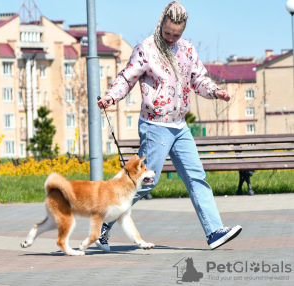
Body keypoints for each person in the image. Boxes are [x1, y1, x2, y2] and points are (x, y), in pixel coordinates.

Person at [97, 1, 242, 251]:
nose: (172, 38)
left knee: (197, 177)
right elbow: (127, 78)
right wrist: (111, 97)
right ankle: (103, 222)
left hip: (180, 125)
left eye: (177, 34)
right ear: (161, 22)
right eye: (168, 33)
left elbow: (199, 79)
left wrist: (216, 91)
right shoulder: (146, 49)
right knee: (146, 183)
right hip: (155, 125)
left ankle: (214, 232)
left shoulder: (187, 49)